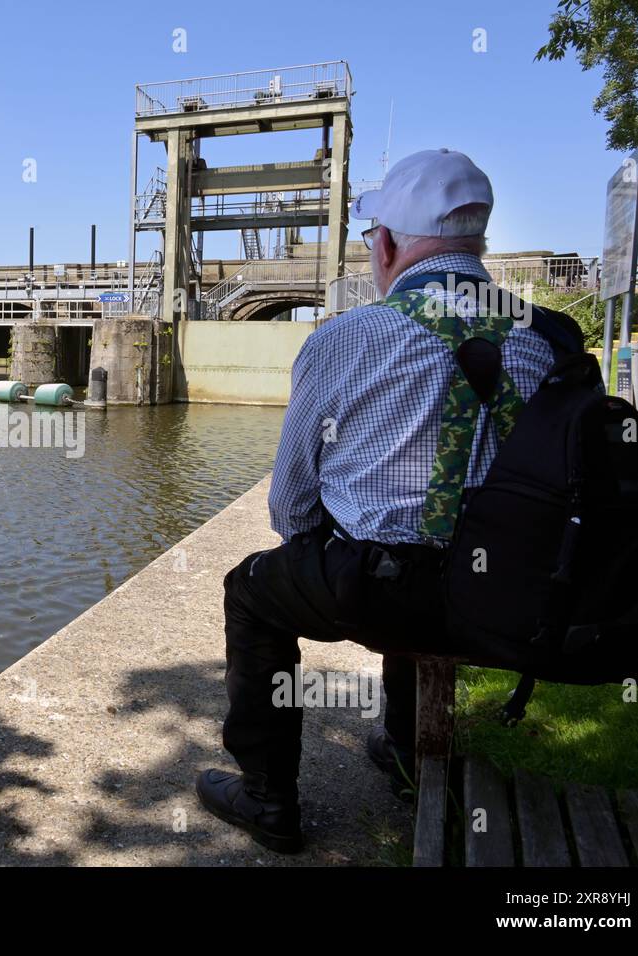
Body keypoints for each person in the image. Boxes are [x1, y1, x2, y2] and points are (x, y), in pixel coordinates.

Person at [195, 149, 569, 854]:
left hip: (383, 596)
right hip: (514, 598)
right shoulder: (549, 339)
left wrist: (325, 548)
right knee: (435, 557)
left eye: (373, 241)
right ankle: (401, 747)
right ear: (476, 243)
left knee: (256, 591)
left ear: (389, 243)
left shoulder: (345, 339)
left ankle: (268, 797)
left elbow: (290, 506)